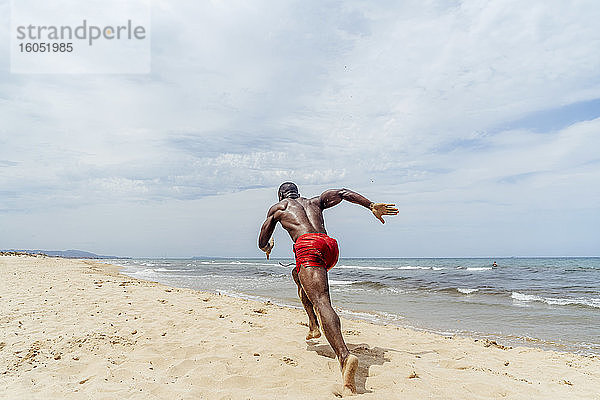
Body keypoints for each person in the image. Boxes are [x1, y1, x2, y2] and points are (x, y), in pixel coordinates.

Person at [258, 182, 398, 395]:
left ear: (280, 196)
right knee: (298, 275)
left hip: (308, 246)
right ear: (298, 193)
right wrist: (370, 205)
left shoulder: (280, 208)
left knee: (322, 301)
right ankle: (313, 325)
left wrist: (268, 247)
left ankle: (344, 355)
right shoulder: (315, 202)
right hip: (329, 246)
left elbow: (262, 241)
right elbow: (342, 193)